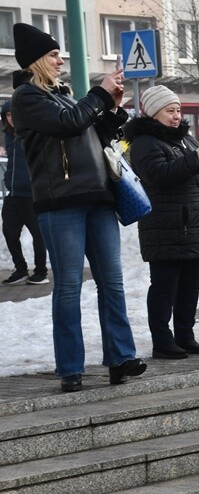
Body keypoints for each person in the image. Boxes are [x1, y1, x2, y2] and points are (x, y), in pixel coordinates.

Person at [11, 23, 145, 393]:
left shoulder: (66, 95)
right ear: (37, 59)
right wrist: (98, 94)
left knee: (112, 283)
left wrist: (113, 107)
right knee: (68, 287)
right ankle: (70, 367)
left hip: (98, 196)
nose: (59, 59)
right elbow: (69, 125)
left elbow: (95, 133)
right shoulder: (26, 98)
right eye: (53, 54)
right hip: (60, 203)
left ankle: (121, 358)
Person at [125, 85, 199, 361]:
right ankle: (162, 340)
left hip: (192, 224)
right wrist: (195, 158)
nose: (176, 116)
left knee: (190, 285)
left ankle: (185, 333)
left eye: (178, 110)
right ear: (154, 112)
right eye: (170, 111)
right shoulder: (145, 142)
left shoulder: (185, 139)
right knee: (164, 286)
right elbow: (158, 175)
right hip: (164, 226)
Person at [2, 88, 48, 286]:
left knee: (38, 235)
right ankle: (20, 269)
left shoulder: (31, 133)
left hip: (32, 193)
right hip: (13, 195)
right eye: (8, 114)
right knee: (9, 232)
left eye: (14, 113)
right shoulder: (8, 136)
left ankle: (41, 272)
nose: (12, 118)